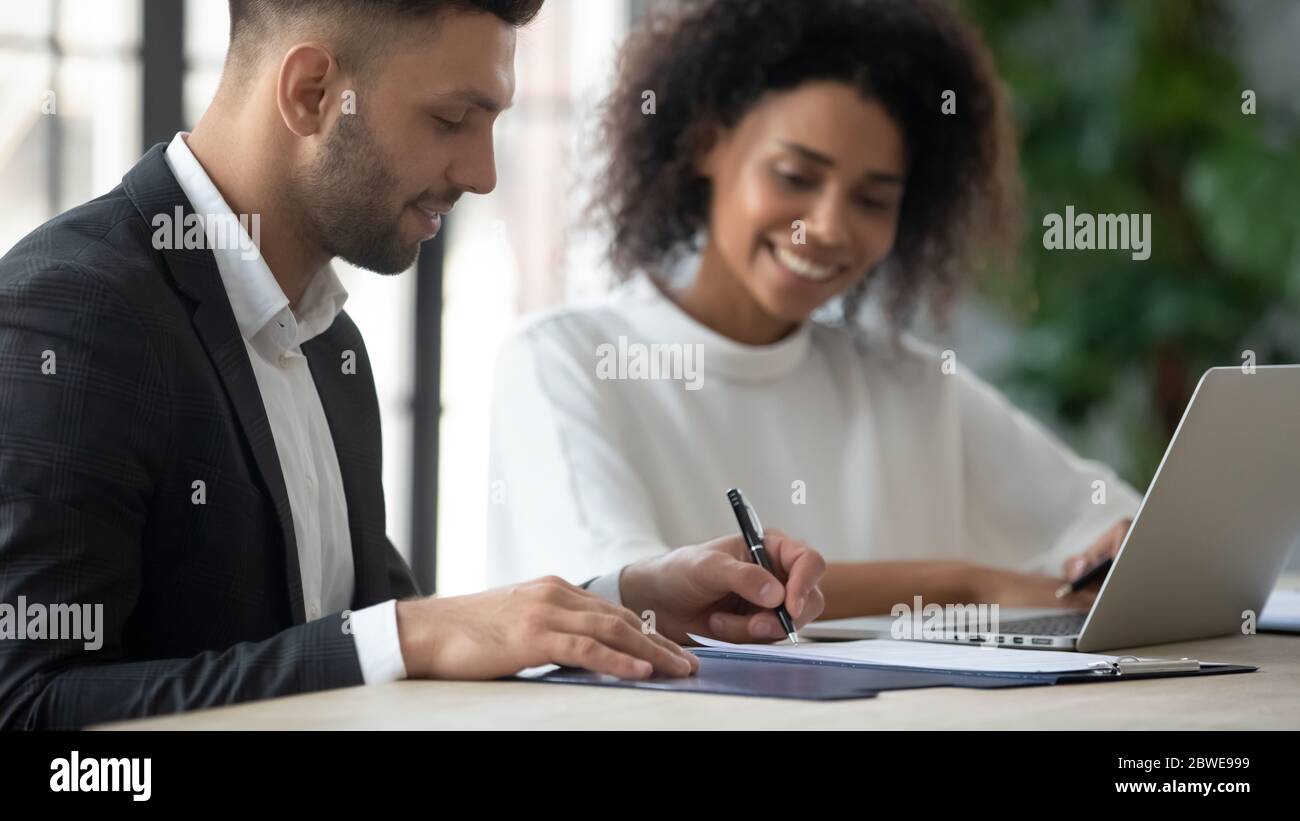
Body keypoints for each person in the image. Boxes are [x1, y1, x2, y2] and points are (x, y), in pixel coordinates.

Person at [0, 0, 826, 730]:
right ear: (312, 93)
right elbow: (28, 707)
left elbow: (367, 640)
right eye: (451, 119)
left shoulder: (328, 338)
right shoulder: (74, 313)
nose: (482, 172)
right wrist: (408, 634)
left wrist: (629, 599)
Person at [487, 0, 1139, 627]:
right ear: (708, 142)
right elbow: (621, 594)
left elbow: (1116, 526)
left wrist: (1119, 549)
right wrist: (967, 583)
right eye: (796, 177)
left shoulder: (908, 384)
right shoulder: (563, 359)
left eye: (873, 199)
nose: (827, 227)